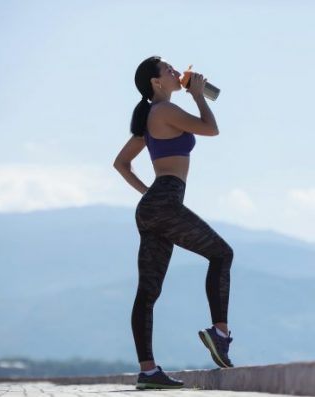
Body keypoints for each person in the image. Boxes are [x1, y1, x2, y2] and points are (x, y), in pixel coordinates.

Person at [113, 55, 235, 390]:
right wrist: (197, 95)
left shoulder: (151, 117)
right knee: (222, 254)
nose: (175, 71)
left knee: (148, 293)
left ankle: (148, 371)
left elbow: (121, 163)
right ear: (156, 82)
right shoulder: (164, 111)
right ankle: (219, 333)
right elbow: (211, 129)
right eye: (167, 69)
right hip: (164, 201)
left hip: (155, 205)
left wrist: (146, 195)